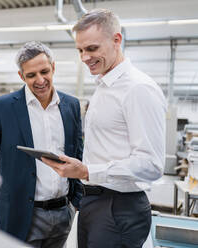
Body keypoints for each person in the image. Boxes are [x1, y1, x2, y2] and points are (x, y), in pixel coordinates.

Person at [42, 9, 167, 248]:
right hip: (94, 202)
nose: (85, 57)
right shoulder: (104, 87)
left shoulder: (138, 89)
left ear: (116, 40)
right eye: (80, 50)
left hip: (118, 207)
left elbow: (151, 164)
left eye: (92, 48)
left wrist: (89, 171)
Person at [0, 41, 83, 247]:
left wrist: (75, 201)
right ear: (21, 76)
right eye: (31, 75)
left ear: (53, 67)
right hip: (20, 215)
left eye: (44, 71)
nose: (40, 80)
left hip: (62, 213)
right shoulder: (2, 107)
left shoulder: (71, 105)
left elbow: (78, 152)